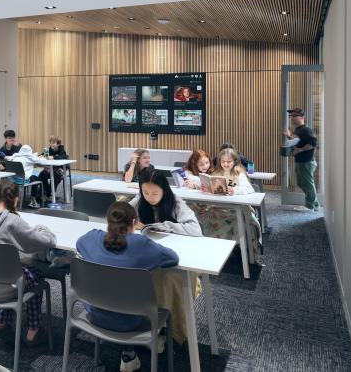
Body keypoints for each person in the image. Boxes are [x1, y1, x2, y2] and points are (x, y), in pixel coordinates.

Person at [76, 201, 179, 371]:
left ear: (107, 221)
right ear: (134, 222)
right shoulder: (142, 244)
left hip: (95, 314)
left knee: (115, 293)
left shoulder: (92, 238)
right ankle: (153, 340)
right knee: (152, 294)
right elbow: (173, 259)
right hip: (131, 322)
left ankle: (129, 354)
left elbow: (79, 245)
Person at [0, 180, 56, 345]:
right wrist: (42, 228)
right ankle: (33, 330)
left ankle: (0, 322)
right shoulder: (12, 221)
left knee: (11, 270)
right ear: (15, 199)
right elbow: (44, 242)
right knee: (36, 274)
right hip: (3, 288)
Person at [128, 169, 201, 344]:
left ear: (164, 190)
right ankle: (143, 320)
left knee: (164, 279)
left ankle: (168, 327)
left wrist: (166, 226)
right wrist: (130, 222)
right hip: (150, 255)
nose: (150, 197)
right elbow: (120, 215)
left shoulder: (175, 202)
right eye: (145, 192)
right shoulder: (140, 199)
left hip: (176, 258)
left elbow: (195, 230)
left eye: (155, 193)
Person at [209, 148, 262, 259]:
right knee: (208, 217)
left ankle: (238, 246)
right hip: (220, 207)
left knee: (235, 220)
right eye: (223, 162)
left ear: (235, 161)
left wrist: (235, 190)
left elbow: (249, 189)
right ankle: (216, 247)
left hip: (237, 208)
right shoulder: (217, 173)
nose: (225, 164)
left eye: (229, 162)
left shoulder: (239, 173)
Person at [283, 108, 319, 210]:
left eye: (295, 116)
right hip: (300, 161)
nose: (292, 118)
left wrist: (299, 150)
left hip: (306, 161)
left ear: (302, 117)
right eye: (291, 116)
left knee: (307, 183)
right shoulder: (298, 130)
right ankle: (314, 204)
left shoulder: (306, 130)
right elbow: (298, 142)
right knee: (301, 183)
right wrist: (290, 137)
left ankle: (310, 206)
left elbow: (313, 143)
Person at [36, 135, 68, 203]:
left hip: (59, 169)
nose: (51, 144)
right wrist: (40, 156)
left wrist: (53, 157)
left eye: (53, 143)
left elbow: (63, 157)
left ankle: (50, 193)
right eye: (50, 142)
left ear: (58, 144)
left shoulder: (61, 150)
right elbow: (41, 155)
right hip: (49, 169)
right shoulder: (48, 149)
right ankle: (45, 193)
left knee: (56, 175)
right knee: (42, 175)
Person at [11, 144, 44, 208]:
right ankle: (33, 200)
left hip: (13, 180)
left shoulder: (14, 157)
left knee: (32, 176)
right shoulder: (30, 158)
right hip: (23, 180)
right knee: (37, 177)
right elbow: (41, 160)